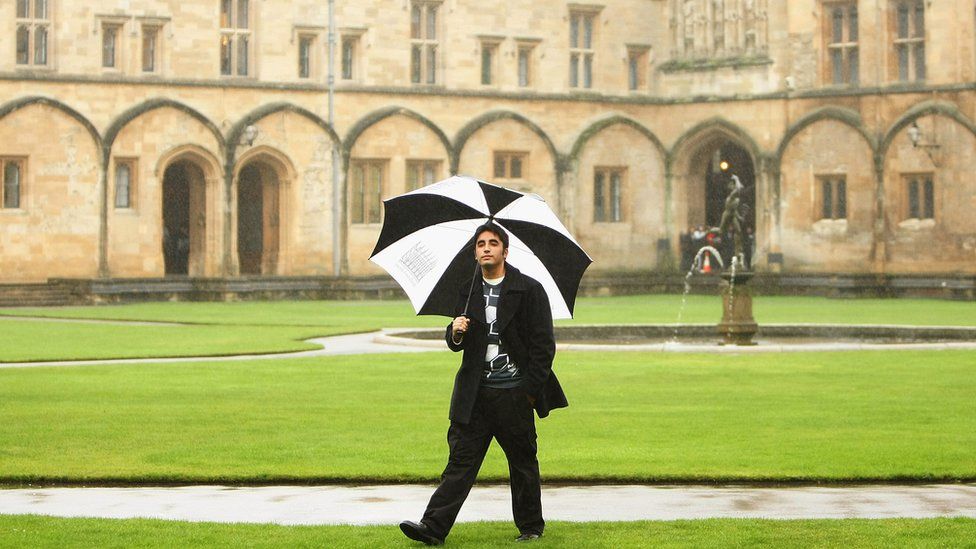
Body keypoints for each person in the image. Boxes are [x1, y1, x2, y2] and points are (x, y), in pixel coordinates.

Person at [399, 222, 568, 545]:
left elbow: (543, 347)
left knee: (522, 464)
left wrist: (529, 392)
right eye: (480, 244)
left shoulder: (529, 289)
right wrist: (454, 332)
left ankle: (531, 527)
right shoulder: (468, 289)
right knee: (459, 464)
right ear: (475, 252)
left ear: (505, 251)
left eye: (493, 243)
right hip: (474, 395)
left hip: (513, 393)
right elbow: (457, 343)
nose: (486, 248)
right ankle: (432, 528)